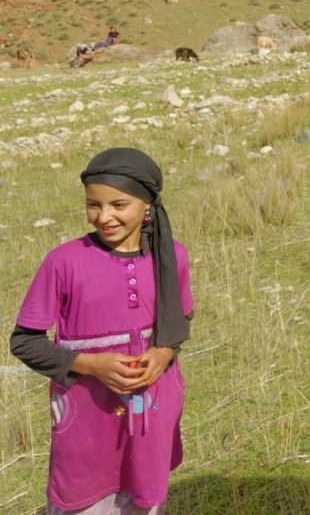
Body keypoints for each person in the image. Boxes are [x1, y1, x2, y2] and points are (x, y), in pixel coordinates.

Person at [10, 147, 193, 515]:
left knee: (145, 497)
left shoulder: (171, 256)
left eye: (118, 205)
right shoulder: (64, 262)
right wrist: (91, 366)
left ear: (147, 206)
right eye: (94, 205)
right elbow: (25, 342)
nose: (104, 216)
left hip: (151, 421)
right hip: (87, 425)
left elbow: (180, 321)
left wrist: (163, 352)